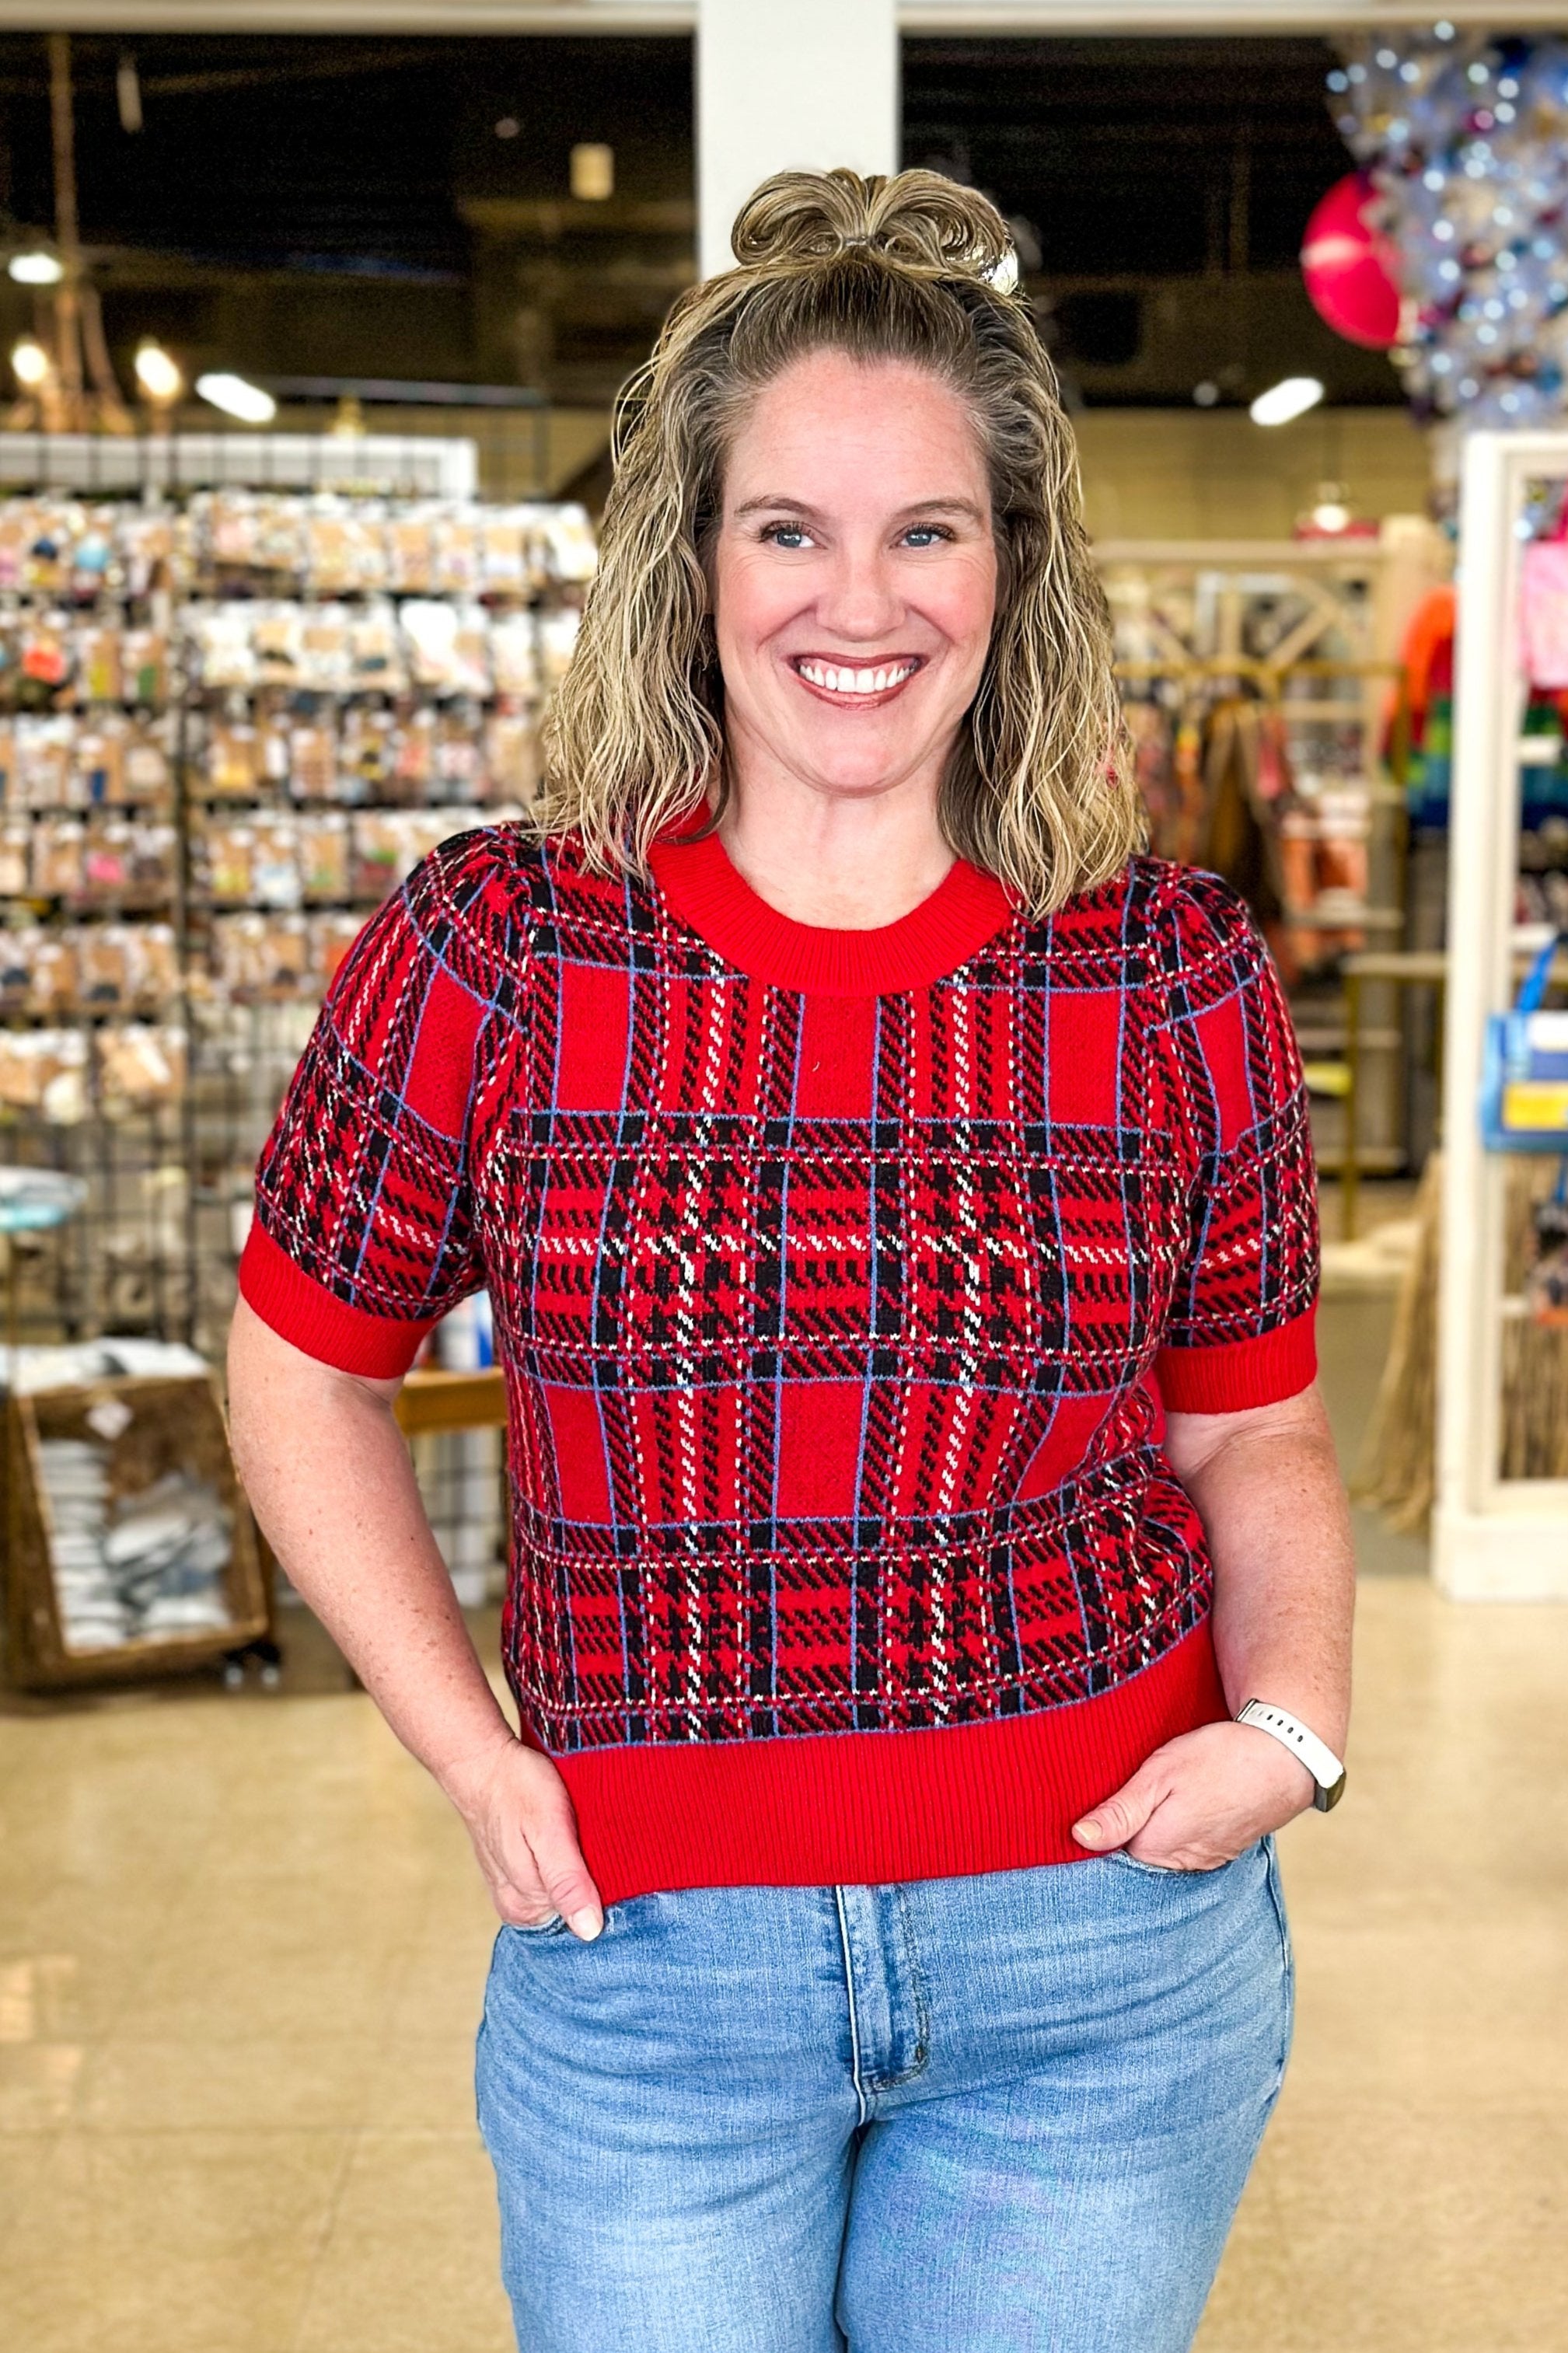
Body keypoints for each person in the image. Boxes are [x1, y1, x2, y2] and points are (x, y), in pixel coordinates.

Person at [228, 167, 1354, 2353]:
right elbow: (298, 1370)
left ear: (1011, 569)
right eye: (789, 530)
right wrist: (474, 1753)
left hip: (1097, 1956)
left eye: (926, 528)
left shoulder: (1169, 969)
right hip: (649, 1975)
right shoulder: (498, 943)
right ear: (693, 561)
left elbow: (1257, 1435)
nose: (863, 599)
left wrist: (1292, 1725)